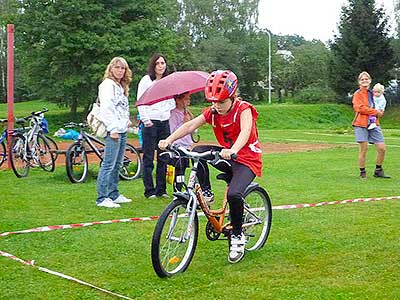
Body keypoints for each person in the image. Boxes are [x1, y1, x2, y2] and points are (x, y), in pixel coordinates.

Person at [159, 70, 262, 264]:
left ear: (232, 97)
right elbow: (190, 126)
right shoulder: (213, 112)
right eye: (213, 102)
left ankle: (238, 237)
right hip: (229, 154)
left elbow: (246, 132)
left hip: (246, 158)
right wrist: (169, 139)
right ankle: (206, 192)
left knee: (233, 194)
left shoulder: (244, 109)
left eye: (221, 102)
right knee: (198, 151)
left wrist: (233, 149)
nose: (217, 106)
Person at [137, 53, 176, 198]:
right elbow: (141, 101)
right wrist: (146, 120)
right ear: (153, 65)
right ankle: (149, 190)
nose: (161, 66)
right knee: (148, 156)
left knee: (163, 156)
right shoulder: (146, 81)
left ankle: (161, 189)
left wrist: (165, 110)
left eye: (163, 63)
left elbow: (171, 102)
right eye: (158, 63)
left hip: (164, 121)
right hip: (150, 122)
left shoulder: (167, 81)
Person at [96, 57, 133, 208]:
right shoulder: (107, 85)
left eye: (122, 68)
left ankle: (113, 193)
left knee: (117, 163)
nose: (120, 70)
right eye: (117, 67)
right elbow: (107, 108)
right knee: (108, 164)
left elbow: (122, 107)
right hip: (114, 130)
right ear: (111, 69)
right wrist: (112, 128)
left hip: (122, 128)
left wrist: (126, 122)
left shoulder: (120, 86)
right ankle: (102, 197)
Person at [352, 71, 390, 179]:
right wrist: (374, 112)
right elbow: (359, 108)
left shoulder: (373, 93)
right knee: (363, 149)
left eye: (366, 79)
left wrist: (380, 111)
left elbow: (380, 106)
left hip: (374, 123)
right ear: (359, 82)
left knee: (382, 148)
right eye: (362, 79)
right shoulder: (357, 94)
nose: (365, 81)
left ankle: (378, 170)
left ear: (370, 80)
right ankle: (362, 172)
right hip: (361, 124)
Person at [168, 92, 194, 191]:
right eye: (186, 99)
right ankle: (177, 189)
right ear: (178, 100)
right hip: (178, 145)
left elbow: (193, 130)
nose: (188, 101)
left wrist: (190, 123)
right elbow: (172, 131)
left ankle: (182, 187)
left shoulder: (187, 113)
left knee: (184, 168)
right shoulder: (173, 114)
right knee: (179, 169)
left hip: (187, 145)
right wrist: (184, 123)